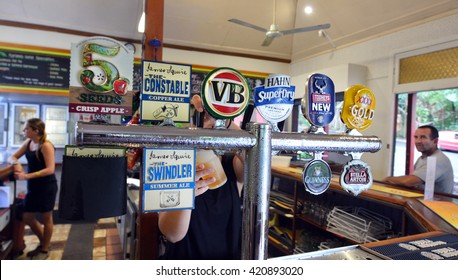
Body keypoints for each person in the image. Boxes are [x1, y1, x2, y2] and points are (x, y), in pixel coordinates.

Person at [158, 95, 245, 259]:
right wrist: (185, 195)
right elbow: (172, 234)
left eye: (204, 118)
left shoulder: (231, 164)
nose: (201, 125)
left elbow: (258, 162)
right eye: (195, 119)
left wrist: (223, 122)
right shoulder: (173, 167)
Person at [8, 118, 58, 260]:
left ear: (35, 131)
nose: (23, 131)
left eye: (26, 129)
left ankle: (44, 249)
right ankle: (45, 243)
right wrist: (16, 164)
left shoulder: (45, 145)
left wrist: (26, 176)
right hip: (33, 187)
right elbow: (13, 156)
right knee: (27, 217)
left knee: (46, 217)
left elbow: (50, 169)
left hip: (46, 186)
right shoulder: (29, 143)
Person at [383, 125, 454, 194]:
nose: (418, 141)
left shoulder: (437, 160)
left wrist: (388, 179)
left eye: (423, 137)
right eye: (416, 137)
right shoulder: (422, 158)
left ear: (435, 141)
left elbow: (409, 182)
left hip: (436, 204)